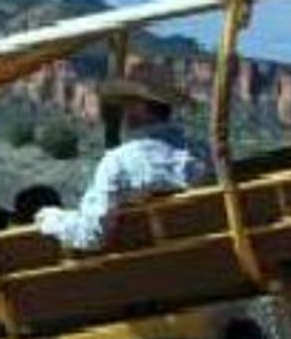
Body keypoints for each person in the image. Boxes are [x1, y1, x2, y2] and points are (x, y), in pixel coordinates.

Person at [34, 72, 212, 252]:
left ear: (139, 107)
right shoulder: (203, 151)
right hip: (204, 252)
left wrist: (52, 220)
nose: (122, 112)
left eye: (126, 103)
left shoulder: (118, 162)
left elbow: (92, 235)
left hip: (142, 262)